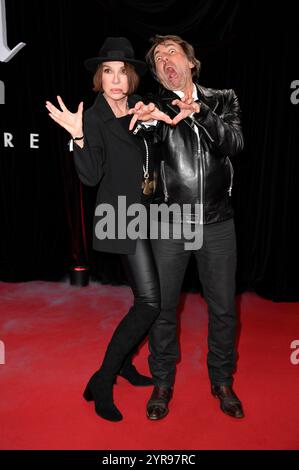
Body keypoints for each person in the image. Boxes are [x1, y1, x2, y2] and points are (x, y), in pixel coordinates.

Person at [45, 37, 171, 422]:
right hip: (120, 216)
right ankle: (103, 380)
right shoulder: (95, 117)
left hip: (149, 213)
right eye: (107, 72)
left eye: (122, 71)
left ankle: (123, 366)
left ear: (131, 76)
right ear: (100, 78)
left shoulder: (140, 106)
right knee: (151, 303)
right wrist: (78, 135)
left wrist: (156, 123)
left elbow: (156, 153)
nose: (115, 79)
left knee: (143, 301)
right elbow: (90, 176)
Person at [128, 34, 244, 420]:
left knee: (224, 309)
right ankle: (162, 381)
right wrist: (145, 126)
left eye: (171, 51)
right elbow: (147, 142)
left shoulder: (223, 98)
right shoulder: (153, 106)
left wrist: (201, 113)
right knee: (162, 309)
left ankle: (222, 380)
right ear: (159, 74)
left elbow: (234, 144)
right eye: (158, 57)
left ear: (190, 62)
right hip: (169, 222)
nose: (164, 59)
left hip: (217, 221)